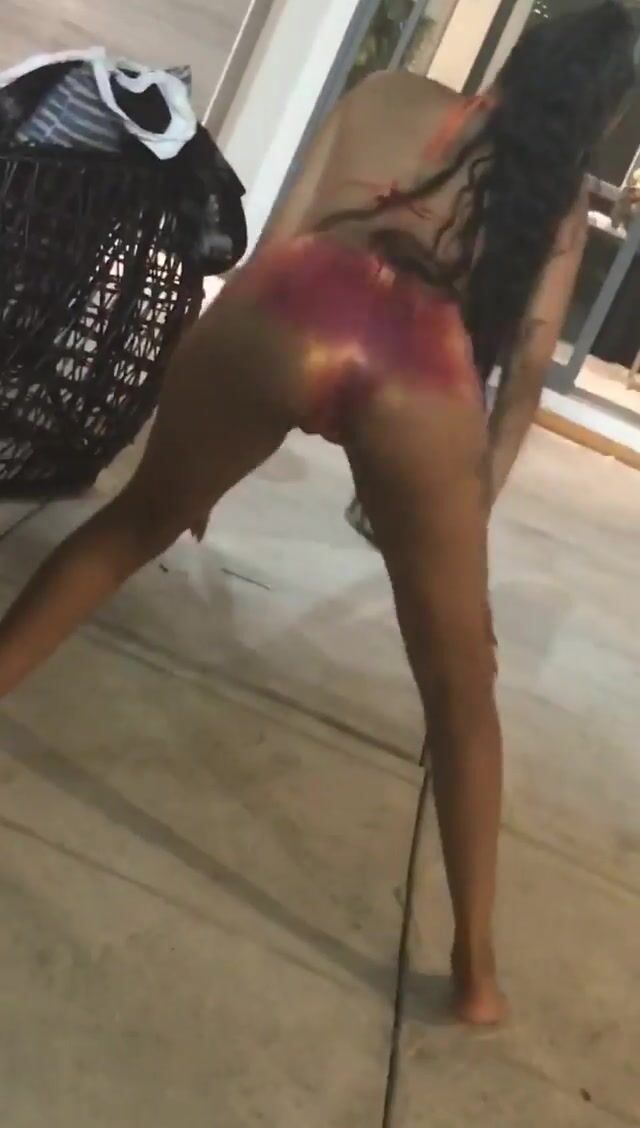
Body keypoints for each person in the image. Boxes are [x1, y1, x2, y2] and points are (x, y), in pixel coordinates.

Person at [0, 1, 635, 1025]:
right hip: (419, 374)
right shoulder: (551, 203)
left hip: (290, 307)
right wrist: (471, 514)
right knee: (461, 688)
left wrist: (194, 444)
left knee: (129, 528)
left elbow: (277, 239)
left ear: (522, 55)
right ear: (596, 114)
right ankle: (475, 971)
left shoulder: (383, 94)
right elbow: (520, 381)